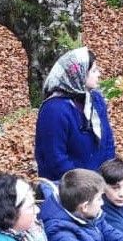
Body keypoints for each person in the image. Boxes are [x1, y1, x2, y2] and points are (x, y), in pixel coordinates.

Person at [35, 48, 115, 181]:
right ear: (80, 74)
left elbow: (108, 140)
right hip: (67, 188)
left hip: (100, 183)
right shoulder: (54, 110)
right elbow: (55, 158)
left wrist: (108, 173)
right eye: (94, 70)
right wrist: (85, 183)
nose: (99, 74)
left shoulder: (96, 99)